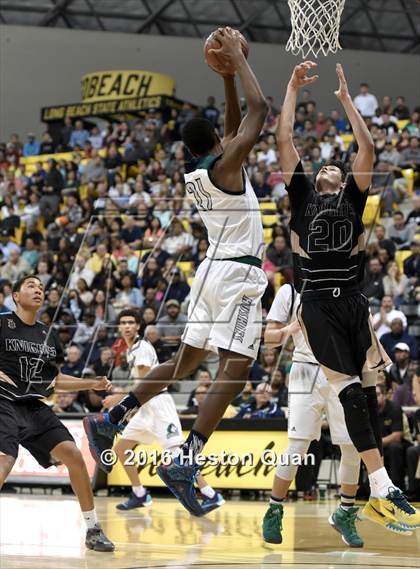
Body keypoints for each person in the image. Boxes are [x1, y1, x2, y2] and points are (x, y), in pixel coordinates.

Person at [84, 26, 268, 517]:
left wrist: (226, 78)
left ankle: (114, 416)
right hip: (236, 276)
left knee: (185, 364)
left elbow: (232, 129)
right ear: (216, 142)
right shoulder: (227, 166)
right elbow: (260, 113)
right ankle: (188, 457)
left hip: (208, 273)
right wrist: (239, 62)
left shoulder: (199, 170)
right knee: (236, 368)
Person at [277, 60, 419, 530]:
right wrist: (293, 88)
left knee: (366, 396)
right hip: (318, 303)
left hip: (354, 301)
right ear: (316, 179)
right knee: (350, 392)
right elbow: (283, 141)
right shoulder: (302, 199)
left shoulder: (353, 199)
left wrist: (344, 102)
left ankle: (369, 495)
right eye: (326, 166)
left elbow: (369, 146)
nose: (332, 168)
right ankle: (383, 488)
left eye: (337, 167)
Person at [0, 275, 114, 551]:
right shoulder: (2, 323)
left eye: (41, 287)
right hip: (3, 401)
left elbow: (54, 380)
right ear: (16, 296)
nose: (38, 290)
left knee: (74, 456)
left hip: (34, 407)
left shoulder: (47, 336)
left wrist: (92, 383)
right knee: (5, 460)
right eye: (30, 286)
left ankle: (92, 529)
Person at [262, 284, 363, 546]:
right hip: (305, 370)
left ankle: (345, 513)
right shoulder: (291, 290)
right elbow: (269, 337)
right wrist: (288, 330)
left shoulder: (348, 283)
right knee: (297, 446)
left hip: (342, 370)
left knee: (352, 447)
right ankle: (274, 510)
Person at [99, 309, 224, 514]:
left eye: (131, 322)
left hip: (158, 403)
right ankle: (139, 494)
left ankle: (211, 494)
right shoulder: (131, 350)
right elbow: (140, 386)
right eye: (123, 322)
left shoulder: (141, 348)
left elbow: (147, 385)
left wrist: (119, 399)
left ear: (138, 326)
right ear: (119, 327)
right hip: (146, 408)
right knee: (121, 449)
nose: (127, 326)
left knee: (178, 456)